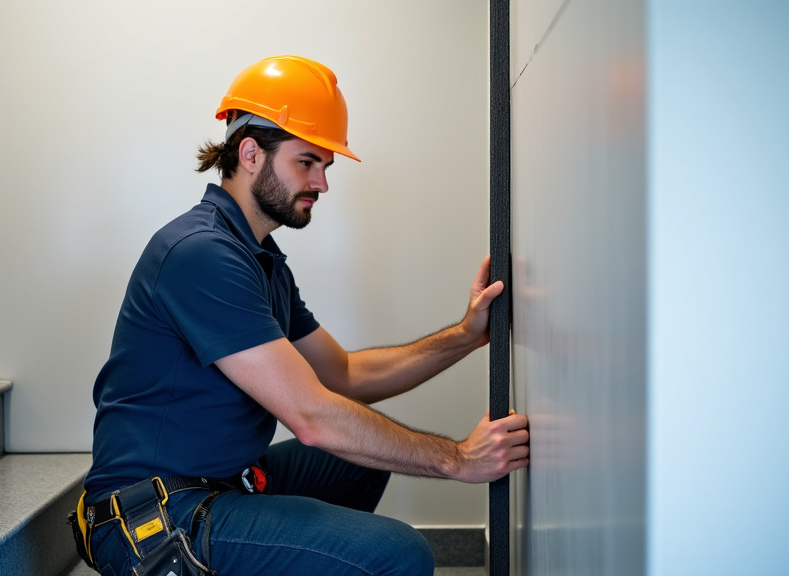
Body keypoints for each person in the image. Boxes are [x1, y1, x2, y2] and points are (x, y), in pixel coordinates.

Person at [80, 55, 529, 576]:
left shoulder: (260, 259)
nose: (322, 182)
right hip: (153, 519)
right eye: (306, 162)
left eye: (326, 166)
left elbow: (343, 377)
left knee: (356, 461)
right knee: (401, 553)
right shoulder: (200, 253)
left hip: (224, 481)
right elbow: (313, 417)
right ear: (250, 153)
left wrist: (465, 336)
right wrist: (458, 459)